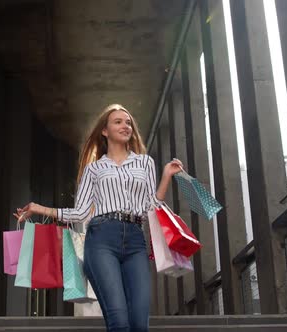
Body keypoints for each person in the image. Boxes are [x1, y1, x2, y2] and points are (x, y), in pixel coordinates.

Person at [14, 104, 183, 332]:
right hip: (102, 239)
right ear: (105, 131)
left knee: (139, 323)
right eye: (118, 122)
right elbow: (81, 212)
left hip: (135, 240)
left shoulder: (145, 163)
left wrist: (166, 177)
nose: (126, 126)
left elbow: (149, 207)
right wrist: (39, 208)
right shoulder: (94, 170)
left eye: (128, 122)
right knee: (119, 322)